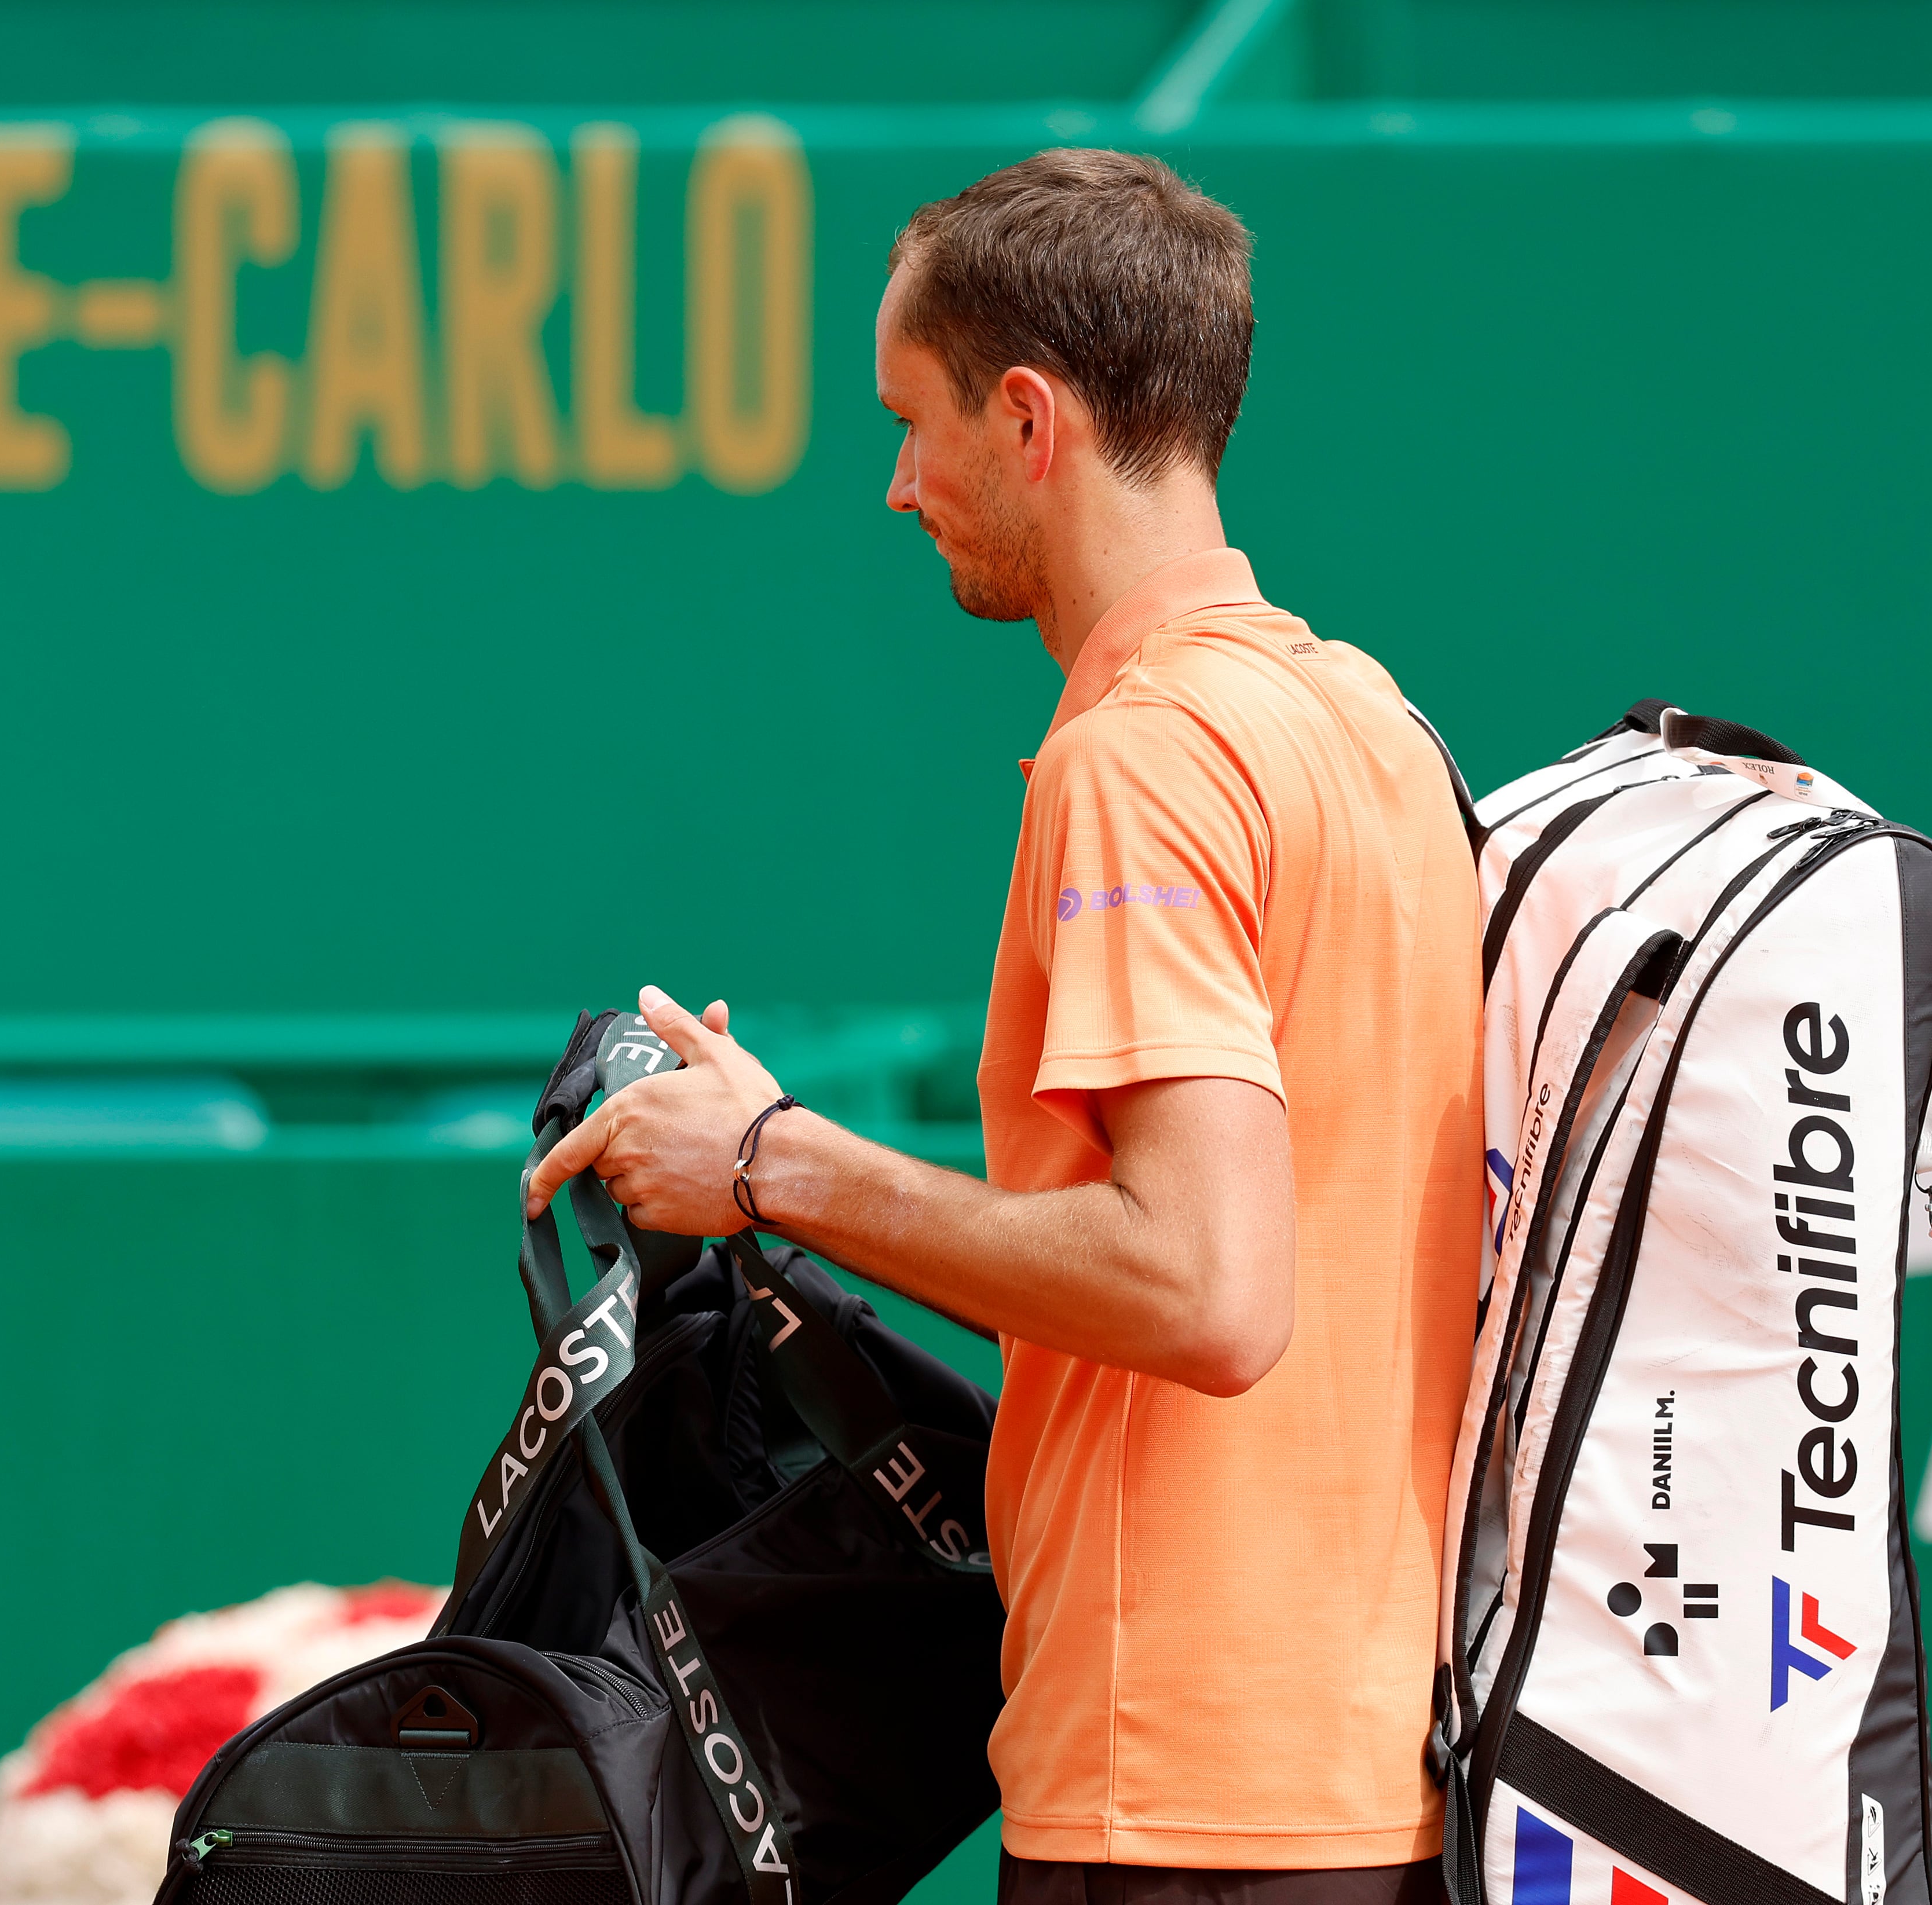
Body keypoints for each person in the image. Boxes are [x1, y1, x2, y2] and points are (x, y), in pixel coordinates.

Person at [528, 149, 1479, 1904]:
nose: (899, 484)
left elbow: (1203, 1283)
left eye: (915, 421)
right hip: (1363, 1774)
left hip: (1178, 1793)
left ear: (1029, 420)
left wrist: (762, 1163)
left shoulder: (1144, 760)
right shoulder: (1374, 730)